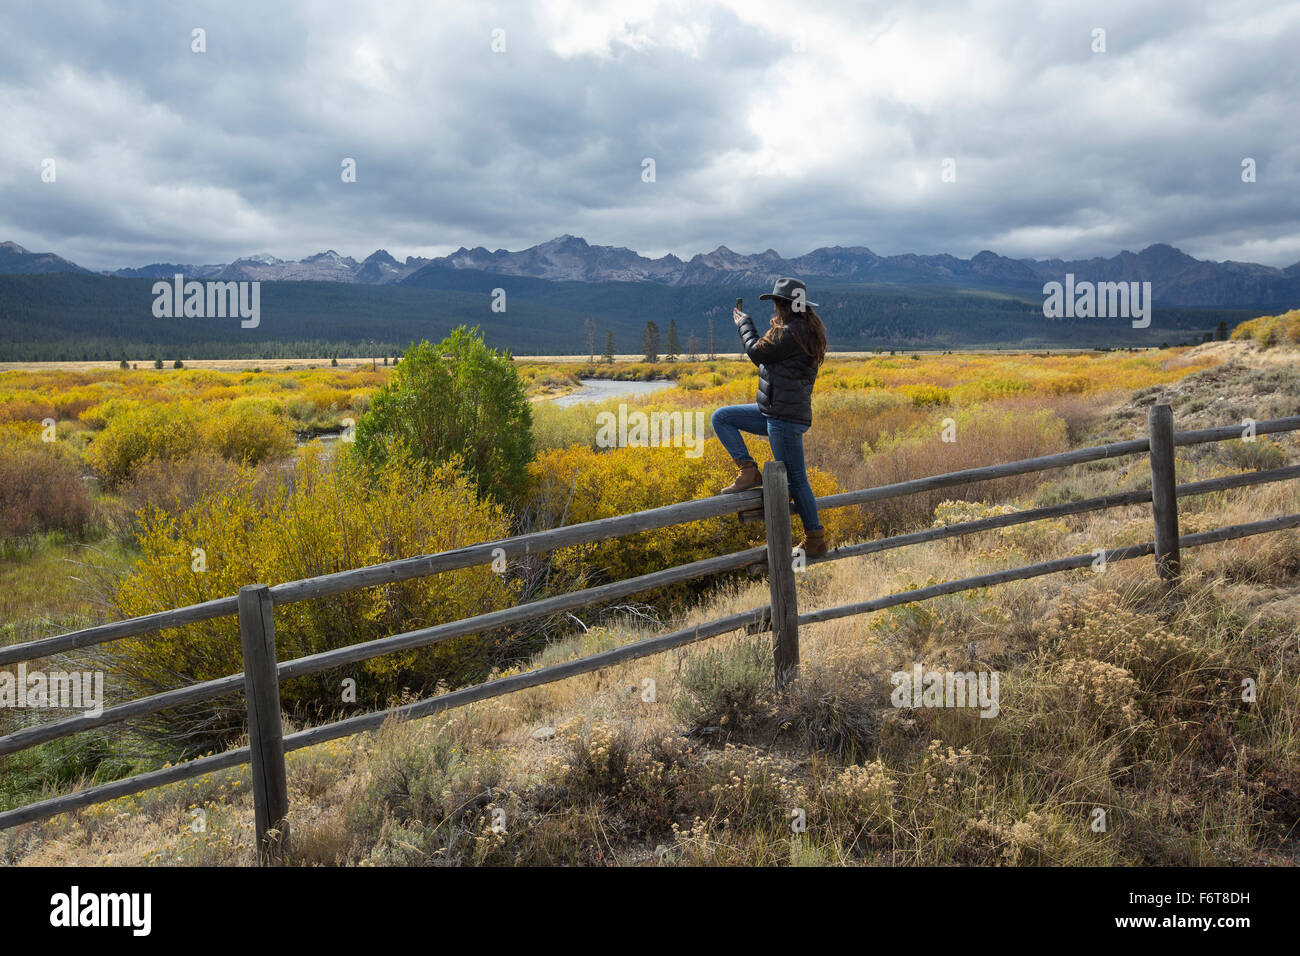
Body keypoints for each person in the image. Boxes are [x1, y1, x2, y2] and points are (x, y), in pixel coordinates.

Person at [711, 277, 829, 558]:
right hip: (774, 413)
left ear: (784, 305)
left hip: (783, 419)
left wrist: (744, 324)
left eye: (776, 303)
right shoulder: (799, 330)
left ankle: (814, 539)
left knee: (796, 479)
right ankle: (748, 470)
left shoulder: (792, 332)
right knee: (722, 417)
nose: (774, 309)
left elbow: (755, 352)